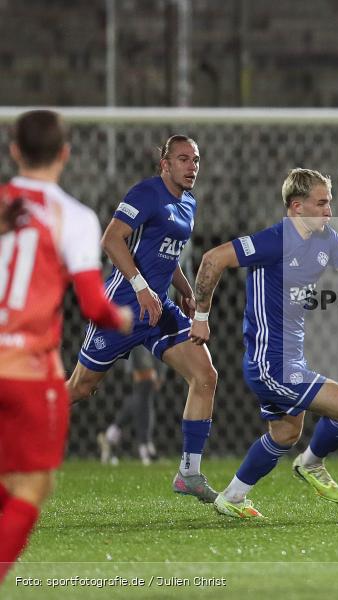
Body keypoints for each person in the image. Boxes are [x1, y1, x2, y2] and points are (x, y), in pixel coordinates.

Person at [189, 168, 338, 518]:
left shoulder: (326, 239)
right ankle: (311, 463)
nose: (328, 212)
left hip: (291, 360)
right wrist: (201, 317)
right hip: (270, 363)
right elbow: (213, 259)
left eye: (329, 203)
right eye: (321, 204)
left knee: (286, 432)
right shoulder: (274, 240)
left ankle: (232, 496)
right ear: (296, 207)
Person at [0, 110, 132, 582]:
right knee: (33, 484)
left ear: (14, 150)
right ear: (65, 155)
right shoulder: (72, 216)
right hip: (30, 374)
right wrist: (122, 316)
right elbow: (94, 305)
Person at [66, 135, 220, 503]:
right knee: (81, 388)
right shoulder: (146, 193)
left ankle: (189, 473)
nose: (191, 166)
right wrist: (141, 288)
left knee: (205, 375)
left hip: (158, 307)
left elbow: (169, 257)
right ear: (165, 164)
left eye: (196, 159)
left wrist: (182, 288)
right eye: (183, 159)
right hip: (122, 306)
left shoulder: (189, 203)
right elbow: (111, 239)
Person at [97, 241, 195, 466]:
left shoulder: (183, 233)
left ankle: (112, 435)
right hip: (135, 313)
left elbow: (184, 269)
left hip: (164, 316)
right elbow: (110, 269)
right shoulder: (139, 230)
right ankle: (144, 447)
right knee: (145, 379)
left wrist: (190, 297)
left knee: (150, 385)